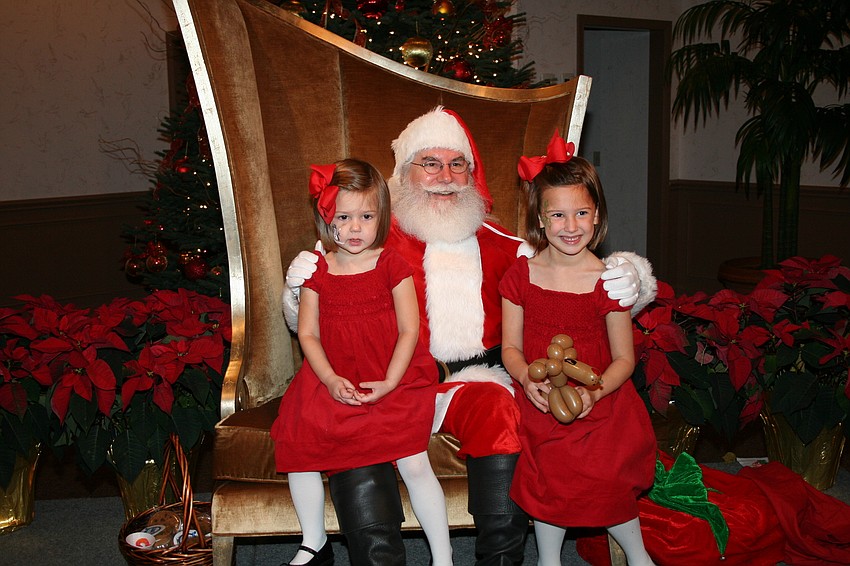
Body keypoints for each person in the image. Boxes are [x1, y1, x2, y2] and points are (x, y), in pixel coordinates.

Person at [283, 107, 657, 565]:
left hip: (474, 379)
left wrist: (630, 277)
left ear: (471, 174)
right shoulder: (365, 239)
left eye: (457, 164)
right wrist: (296, 288)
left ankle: (499, 560)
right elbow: (316, 313)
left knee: (501, 412)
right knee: (355, 425)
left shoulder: (502, 243)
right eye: (431, 163)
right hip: (390, 379)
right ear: (404, 174)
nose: (445, 176)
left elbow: (571, 278)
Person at [271, 159, 453, 566]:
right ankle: (313, 541)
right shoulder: (318, 269)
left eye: (366, 216)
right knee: (298, 441)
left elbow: (409, 331)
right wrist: (331, 378)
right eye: (344, 217)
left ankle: (443, 557)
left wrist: (389, 381)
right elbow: (308, 334)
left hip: (394, 374)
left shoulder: (391, 264)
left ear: (381, 216)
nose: (355, 228)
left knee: (414, 461)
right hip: (331, 375)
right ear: (327, 218)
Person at [500, 133, 657, 566]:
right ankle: (548, 559)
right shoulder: (520, 275)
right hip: (541, 401)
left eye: (582, 213)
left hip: (601, 401)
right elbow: (510, 347)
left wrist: (595, 391)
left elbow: (625, 358)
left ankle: (637, 555)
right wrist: (521, 378)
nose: (571, 226)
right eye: (558, 214)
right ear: (540, 219)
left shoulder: (608, 279)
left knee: (605, 475)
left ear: (598, 214)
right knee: (550, 478)